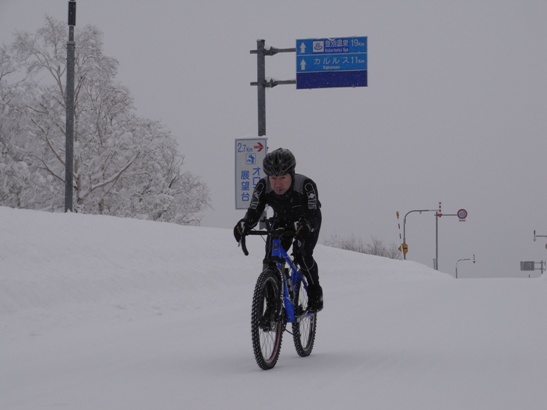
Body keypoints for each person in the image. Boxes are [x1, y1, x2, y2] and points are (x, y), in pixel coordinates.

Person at [233, 148, 323, 312]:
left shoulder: (306, 185)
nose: (277, 183)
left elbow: (313, 213)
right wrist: (245, 224)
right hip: (283, 220)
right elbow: (254, 211)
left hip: (307, 220)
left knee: (302, 255)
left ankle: (314, 290)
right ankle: (272, 307)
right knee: (270, 259)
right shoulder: (263, 186)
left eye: (282, 177)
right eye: (273, 178)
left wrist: (307, 226)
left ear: (292, 174)